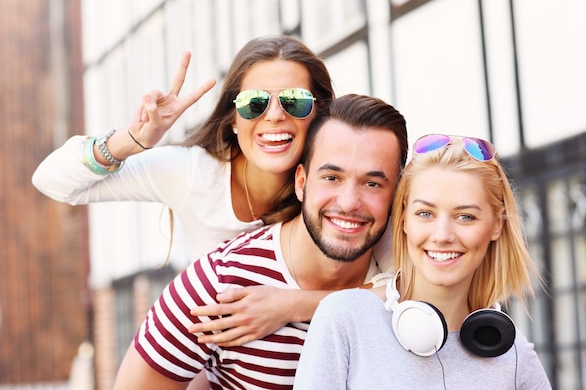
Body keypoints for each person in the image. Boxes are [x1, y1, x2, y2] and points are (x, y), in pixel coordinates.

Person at [32, 36, 394, 351]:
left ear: (319, 114)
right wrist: (132, 140)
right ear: (233, 118)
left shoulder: (348, 198)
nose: (273, 117)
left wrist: (290, 306)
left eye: (294, 101)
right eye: (254, 103)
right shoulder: (193, 174)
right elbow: (52, 180)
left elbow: (408, 290)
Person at [111, 94, 409, 390]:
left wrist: (294, 306)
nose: (348, 202)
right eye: (332, 177)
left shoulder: (413, 272)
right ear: (301, 183)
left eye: (372, 184)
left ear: (396, 195)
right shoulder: (222, 285)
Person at [293, 134, 552, 390]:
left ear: (497, 225)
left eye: (465, 217)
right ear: (404, 218)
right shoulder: (345, 319)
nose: (442, 236)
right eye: (425, 213)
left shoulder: (512, 353)